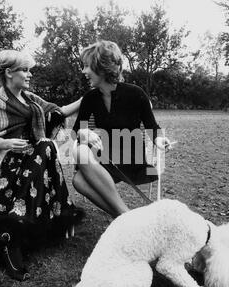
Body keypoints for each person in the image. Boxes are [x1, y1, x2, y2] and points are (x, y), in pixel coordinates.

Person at [0, 49, 83, 281]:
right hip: (3, 166)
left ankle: (10, 234)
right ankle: (12, 237)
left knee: (45, 147)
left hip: (33, 164)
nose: (29, 74)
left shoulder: (32, 100)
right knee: (46, 148)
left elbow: (58, 112)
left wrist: (87, 99)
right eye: (24, 70)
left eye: (29, 69)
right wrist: (5, 142)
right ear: (9, 73)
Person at [72, 40, 171, 218]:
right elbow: (76, 131)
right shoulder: (89, 98)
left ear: (101, 67)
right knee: (78, 173)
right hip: (105, 157)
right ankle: (124, 216)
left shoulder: (136, 94)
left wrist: (159, 139)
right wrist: (83, 132)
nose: (84, 71)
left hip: (132, 160)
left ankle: (123, 217)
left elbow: (152, 126)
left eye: (87, 66)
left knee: (79, 178)